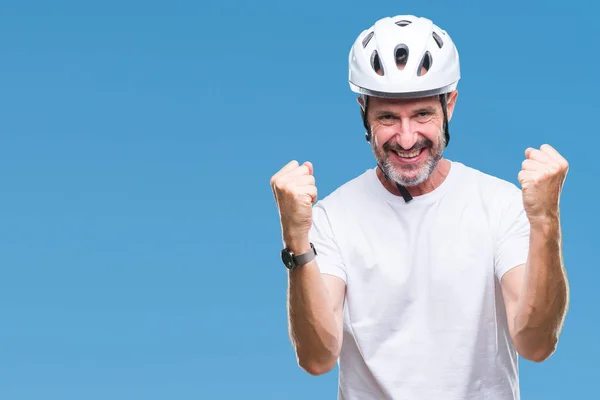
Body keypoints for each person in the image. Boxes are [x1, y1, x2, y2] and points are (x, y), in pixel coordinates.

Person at [270, 14, 570, 400]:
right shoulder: (332, 217)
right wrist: (296, 241)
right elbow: (317, 358)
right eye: (388, 117)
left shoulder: (500, 206)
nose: (407, 138)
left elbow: (536, 344)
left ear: (450, 105)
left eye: (422, 114)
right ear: (363, 112)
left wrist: (546, 222)